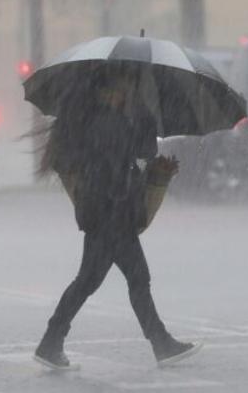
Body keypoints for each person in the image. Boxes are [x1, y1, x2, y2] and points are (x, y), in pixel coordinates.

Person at [33, 66, 203, 370]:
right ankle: (160, 343)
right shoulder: (108, 123)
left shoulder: (102, 120)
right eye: (126, 85)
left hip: (105, 213)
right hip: (111, 214)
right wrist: (140, 119)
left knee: (92, 281)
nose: (128, 91)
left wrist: (139, 129)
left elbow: (131, 158)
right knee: (132, 280)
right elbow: (133, 156)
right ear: (109, 89)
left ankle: (52, 341)